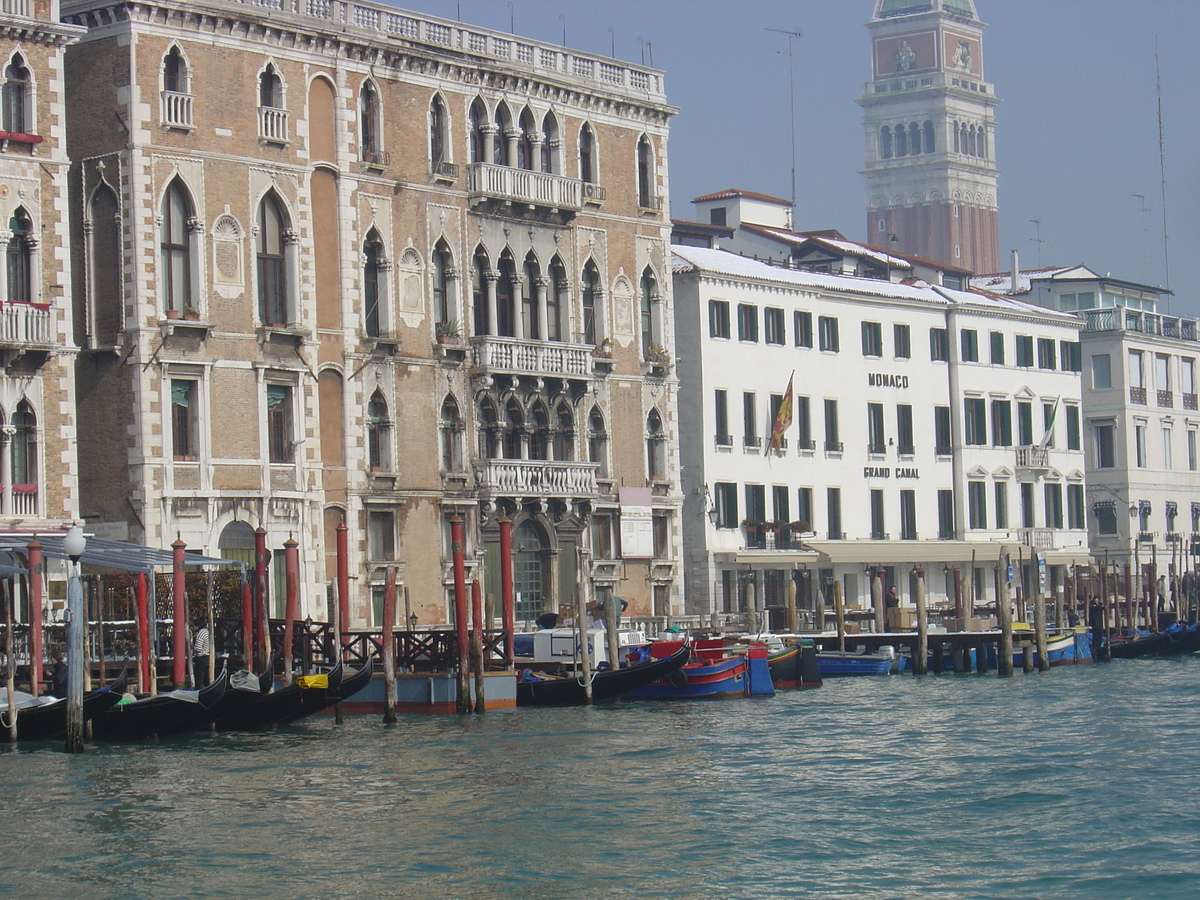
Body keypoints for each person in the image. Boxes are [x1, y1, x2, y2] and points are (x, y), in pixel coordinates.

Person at [192, 618, 211, 688]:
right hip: (207, 657)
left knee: (199, 677)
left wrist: (192, 647)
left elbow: (198, 648)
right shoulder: (206, 631)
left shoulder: (200, 633)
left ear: (197, 626)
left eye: (193, 626)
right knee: (206, 677)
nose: (193, 628)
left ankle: (199, 690)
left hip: (201, 657)